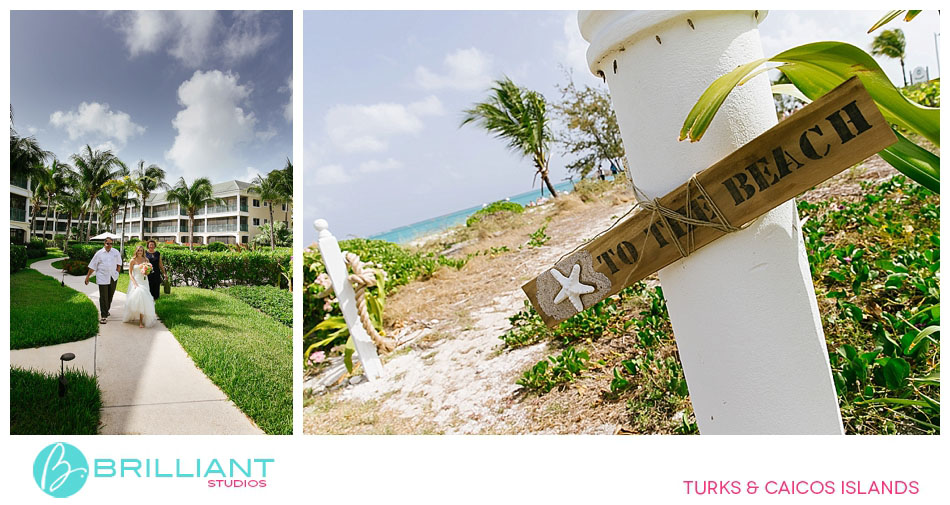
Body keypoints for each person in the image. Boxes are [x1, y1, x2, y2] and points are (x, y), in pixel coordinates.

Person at [85, 238, 122, 324]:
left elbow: (119, 264)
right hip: (102, 277)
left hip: (113, 277)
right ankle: (104, 316)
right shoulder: (99, 253)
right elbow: (92, 266)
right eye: (108, 244)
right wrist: (87, 277)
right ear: (104, 244)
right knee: (103, 296)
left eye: (111, 244)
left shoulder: (116, 252)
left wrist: (117, 273)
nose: (109, 245)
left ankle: (106, 309)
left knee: (110, 295)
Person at [124, 246, 157, 328]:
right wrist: (134, 283)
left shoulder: (146, 260)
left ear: (143, 252)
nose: (140, 252)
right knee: (135, 299)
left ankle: (141, 321)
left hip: (144, 281)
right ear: (136, 251)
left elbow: (148, 272)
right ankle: (131, 316)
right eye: (138, 250)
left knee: (144, 300)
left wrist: (146, 272)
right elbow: (130, 273)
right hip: (136, 281)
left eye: (141, 251)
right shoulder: (132, 260)